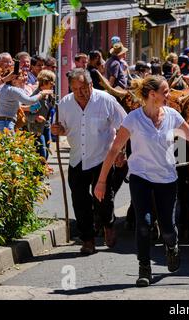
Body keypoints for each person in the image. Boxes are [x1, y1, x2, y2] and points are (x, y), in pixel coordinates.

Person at [94, 75, 189, 287]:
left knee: (168, 227)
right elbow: (114, 149)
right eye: (166, 92)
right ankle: (144, 269)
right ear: (152, 95)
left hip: (167, 179)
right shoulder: (133, 119)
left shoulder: (173, 116)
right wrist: (101, 181)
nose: (169, 95)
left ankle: (172, 246)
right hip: (140, 178)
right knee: (143, 225)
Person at [51, 68, 127, 254]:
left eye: (84, 88)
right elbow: (59, 128)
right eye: (75, 89)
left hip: (102, 158)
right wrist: (57, 130)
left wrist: (121, 151)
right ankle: (88, 240)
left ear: (91, 84)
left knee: (102, 199)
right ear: (70, 88)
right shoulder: (65, 104)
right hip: (77, 159)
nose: (80, 93)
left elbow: (125, 126)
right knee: (79, 200)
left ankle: (108, 224)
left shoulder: (106, 100)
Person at [26, 70, 56, 159]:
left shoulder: (50, 95)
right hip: (36, 129)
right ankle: (38, 173)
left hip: (46, 127)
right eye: (51, 81)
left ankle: (41, 172)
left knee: (46, 154)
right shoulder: (35, 96)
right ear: (44, 81)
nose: (53, 84)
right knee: (41, 154)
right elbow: (26, 114)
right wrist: (35, 117)